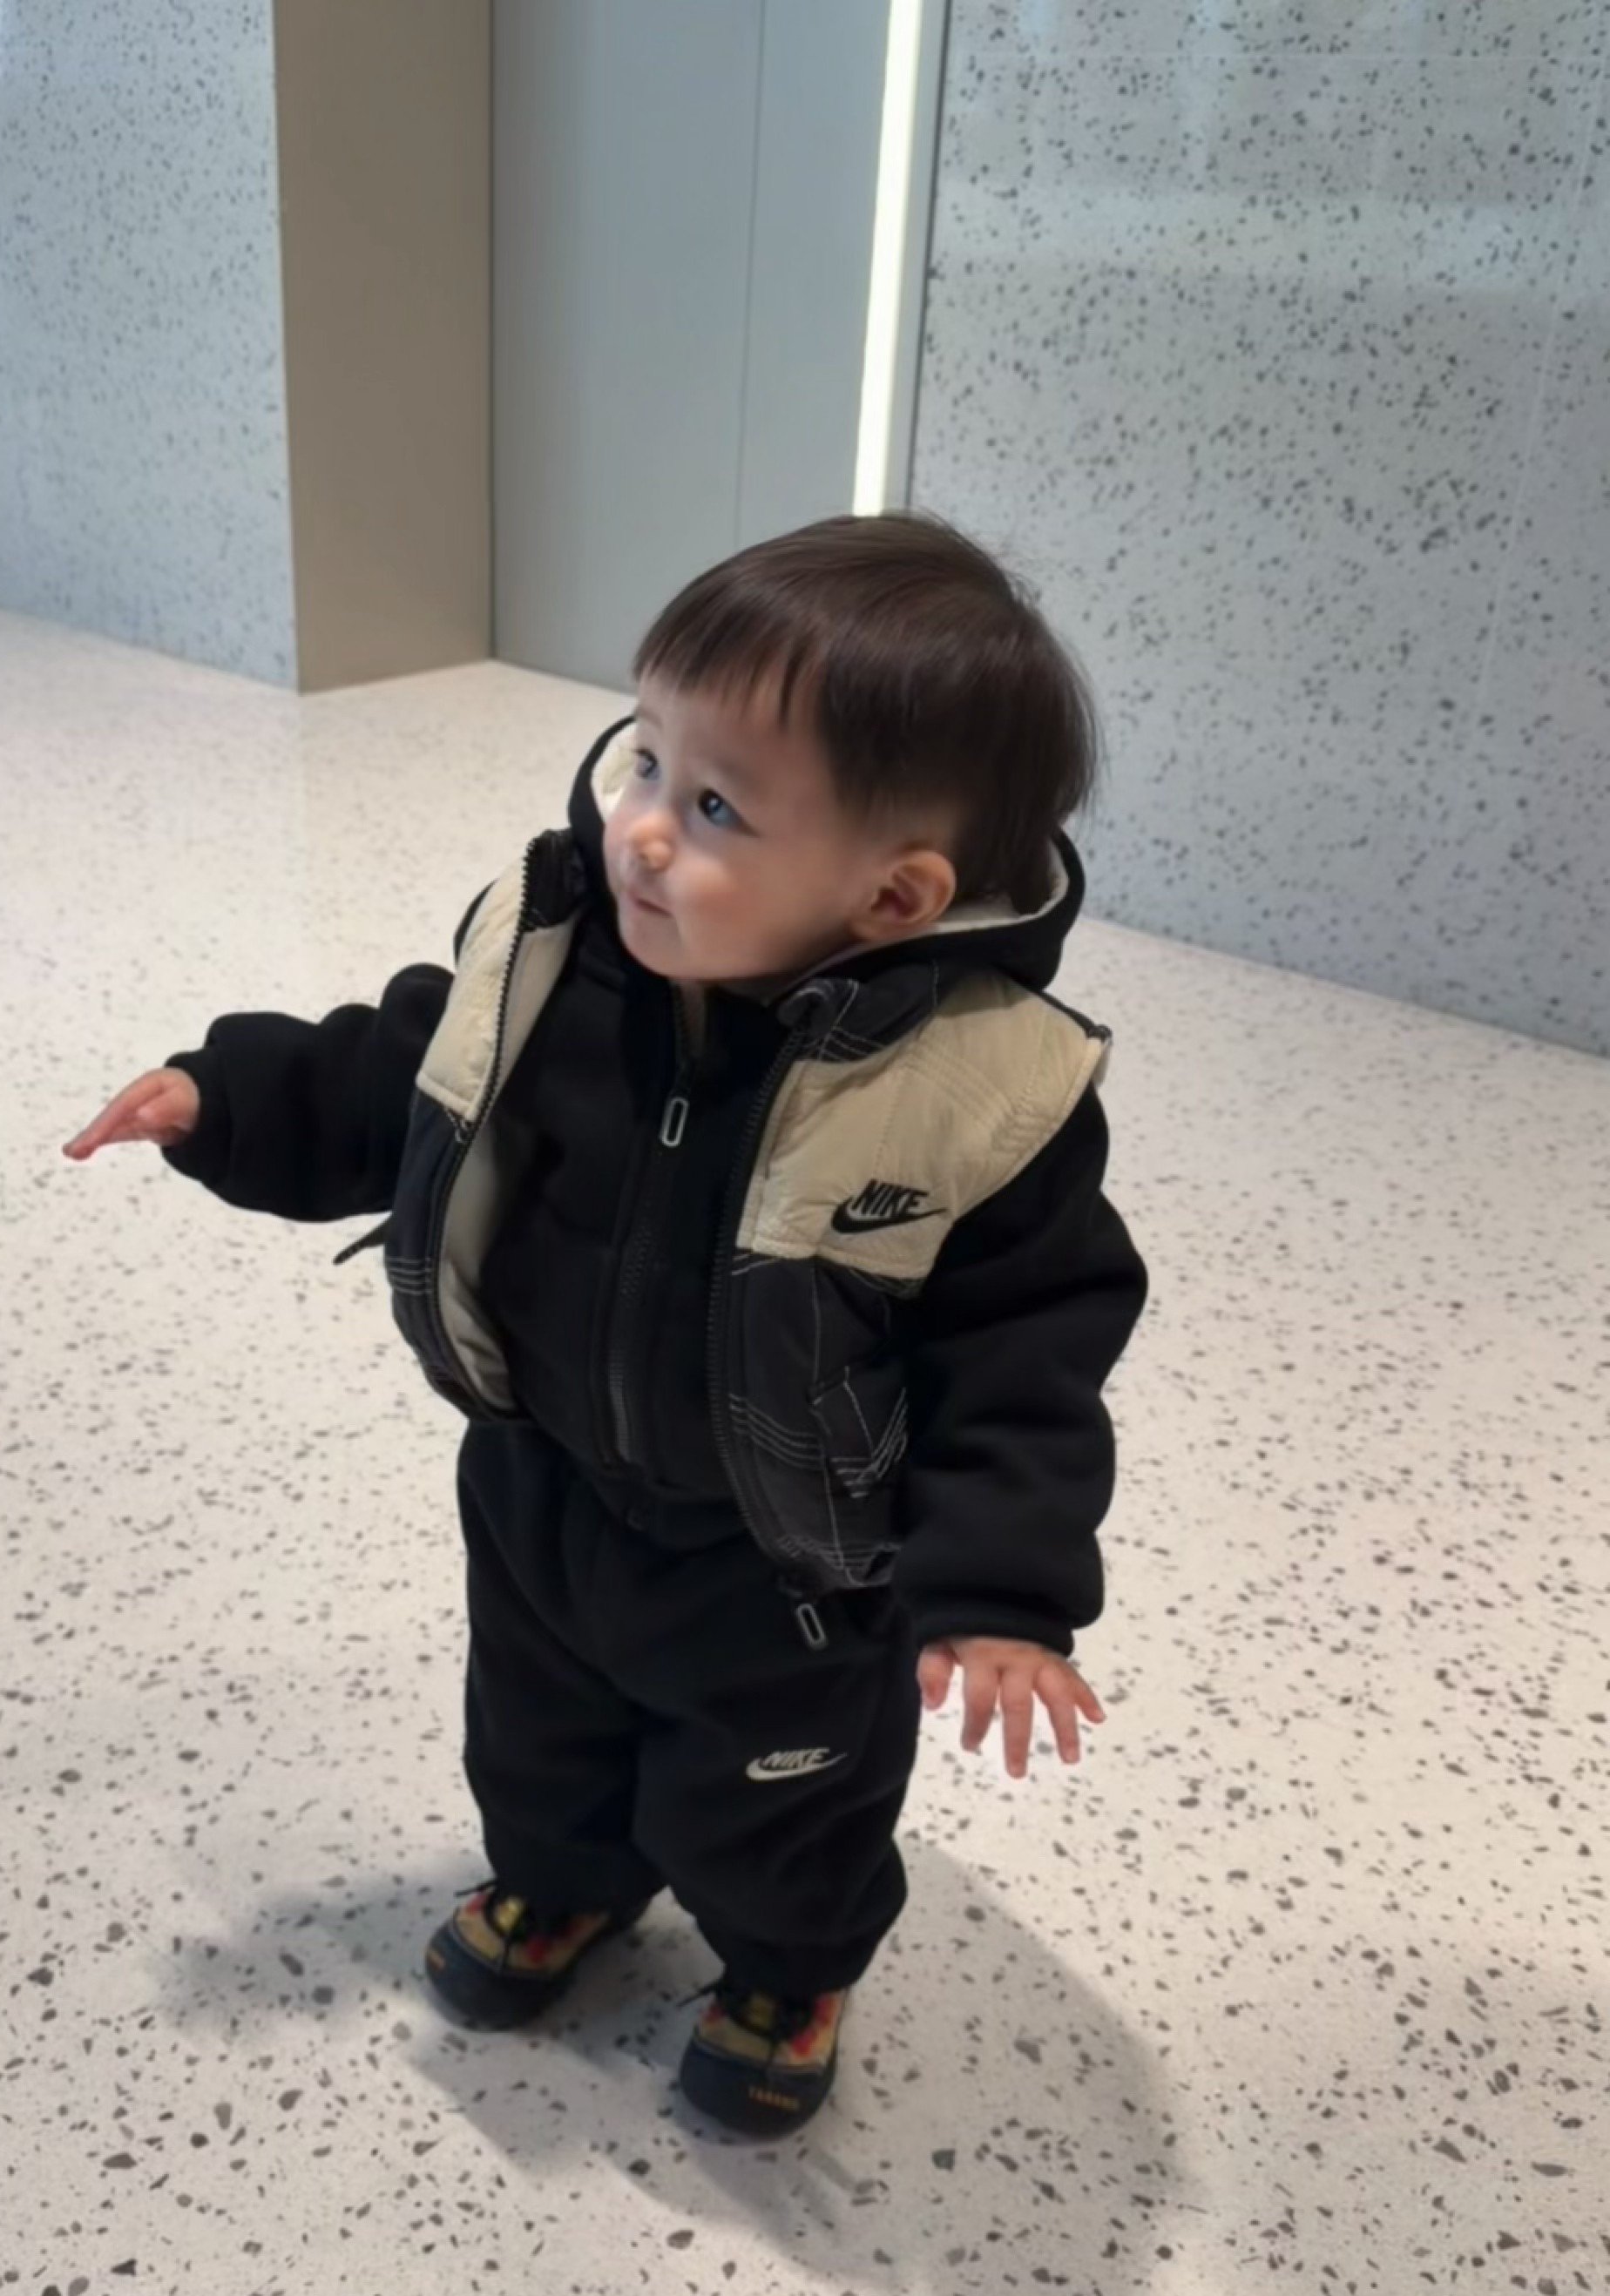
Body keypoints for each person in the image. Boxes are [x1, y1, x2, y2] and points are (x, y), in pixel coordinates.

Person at [66, 514, 1147, 2137]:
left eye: (715, 808)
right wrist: (232, 1097)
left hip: (784, 1564)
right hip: (546, 1483)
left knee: (779, 1797)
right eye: (646, 757)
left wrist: (1000, 1592)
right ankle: (562, 1879)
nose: (639, 827)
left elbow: (1026, 1353)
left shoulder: (973, 1100)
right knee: (536, 1727)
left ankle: (787, 1969)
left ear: (892, 894)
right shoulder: (562, 959)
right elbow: (411, 1072)